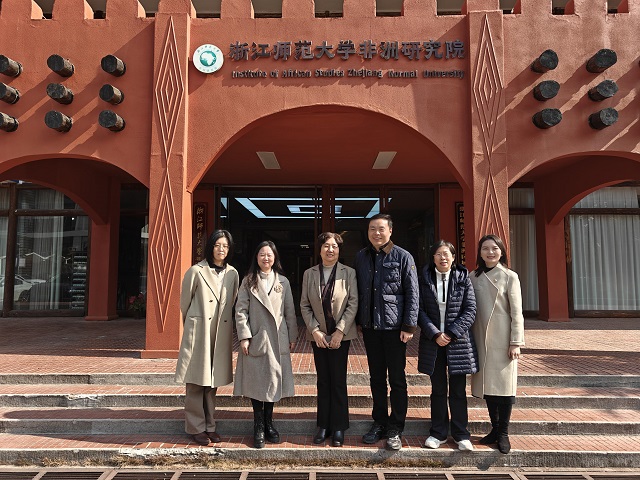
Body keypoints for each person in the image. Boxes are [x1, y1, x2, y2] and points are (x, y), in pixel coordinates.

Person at [354, 213, 419, 451]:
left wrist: (409, 326)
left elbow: (413, 292)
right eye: (372, 229)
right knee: (376, 378)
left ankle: (396, 427)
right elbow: (358, 291)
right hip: (371, 328)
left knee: (397, 379)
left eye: (381, 228)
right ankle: (379, 422)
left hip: (394, 330)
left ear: (390, 231)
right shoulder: (361, 256)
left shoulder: (403, 256)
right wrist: (359, 321)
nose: (376, 233)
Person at [175, 230, 239, 446]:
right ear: (210, 246)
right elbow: (185, 304)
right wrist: (195, 324)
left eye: (225, 246)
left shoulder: (232, 273)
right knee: (196, 381)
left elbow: (231, 302)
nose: (221, 249)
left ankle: (210, 425)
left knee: (212, 382)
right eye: (217, 245)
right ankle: (196, 427)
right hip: (199, 331)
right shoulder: (196, 271)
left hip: (219, 333)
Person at [233, 240, 298, 449]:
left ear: (275, 257)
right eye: (262, 254)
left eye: (269, 254)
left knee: (273, 381)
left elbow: (289, 311)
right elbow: (240, 311)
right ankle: (258, 425)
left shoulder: (283, 282)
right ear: (256, 257)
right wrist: (244, 336)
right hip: (257, 338)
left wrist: (292, 336)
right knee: (256, 383)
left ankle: (269, 423)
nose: (266, 258)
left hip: (277, 338)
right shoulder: (248, 281)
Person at [417, 240, 477, 452]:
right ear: (433, 258)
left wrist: (451, 333)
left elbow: (470, 310)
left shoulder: (463, 279)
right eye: (438, 254)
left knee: (458, 390)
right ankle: (438, 433)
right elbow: (418, 310)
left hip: (457, 342)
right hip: (433, 342)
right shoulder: (424, 279)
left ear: (453, 257)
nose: (443, 258)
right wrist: (435, 334)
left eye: (447, 254)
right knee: (438, 389)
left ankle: (461, 434)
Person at [300, 232, 358, 448]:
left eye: (334, 246)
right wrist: (315, 331)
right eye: (326, 246)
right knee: (323, 381)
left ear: (339, 250)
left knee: (338, 381)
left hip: (341, 336)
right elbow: (304, 304)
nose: (330, 250)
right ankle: (323, 425)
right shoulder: (309, 274)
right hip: (319, 336)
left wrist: (340, 331)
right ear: (320, 249)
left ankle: (339, 426)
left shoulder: (349, 273)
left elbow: (353, 303)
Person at [470, 234, 525, 454]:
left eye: (494, 248)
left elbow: (517, 312)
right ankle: (494, 429)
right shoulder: (473, 276)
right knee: (489, 388)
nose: (490, 252)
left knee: (504, 388)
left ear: (501, 251)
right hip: (479, 338)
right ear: (480, 252)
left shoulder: (510, 276)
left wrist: (515, 342)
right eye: (485, 248)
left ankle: (503, 432)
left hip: (502, 340)